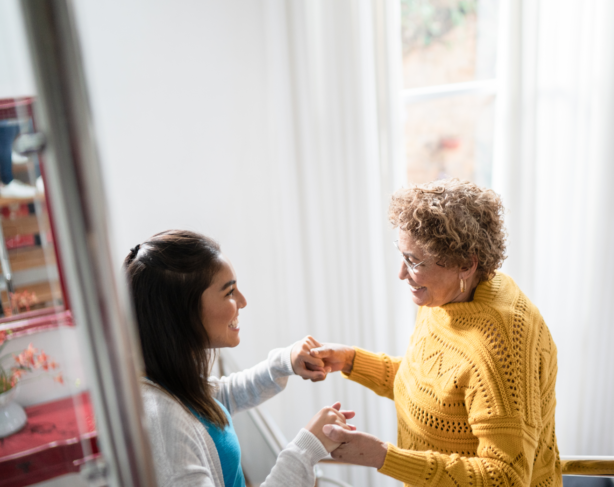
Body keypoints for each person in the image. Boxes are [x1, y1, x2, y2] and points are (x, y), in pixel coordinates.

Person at [303, 179, 562, 487]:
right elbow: (433, 385)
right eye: (402, 255)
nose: (401, 273)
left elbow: (507, 477)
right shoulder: (445, 296)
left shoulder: (499, 345)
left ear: (465, 263)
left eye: (413, 261)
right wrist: (351, 361)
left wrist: (384, 457)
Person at [125, 230, 353, 487]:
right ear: (182, 312)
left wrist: (286, 362)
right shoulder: (163, 422)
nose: (242, 302)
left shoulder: (170, 382)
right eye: (229, 292)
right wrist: (306, 449)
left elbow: (222, 396)